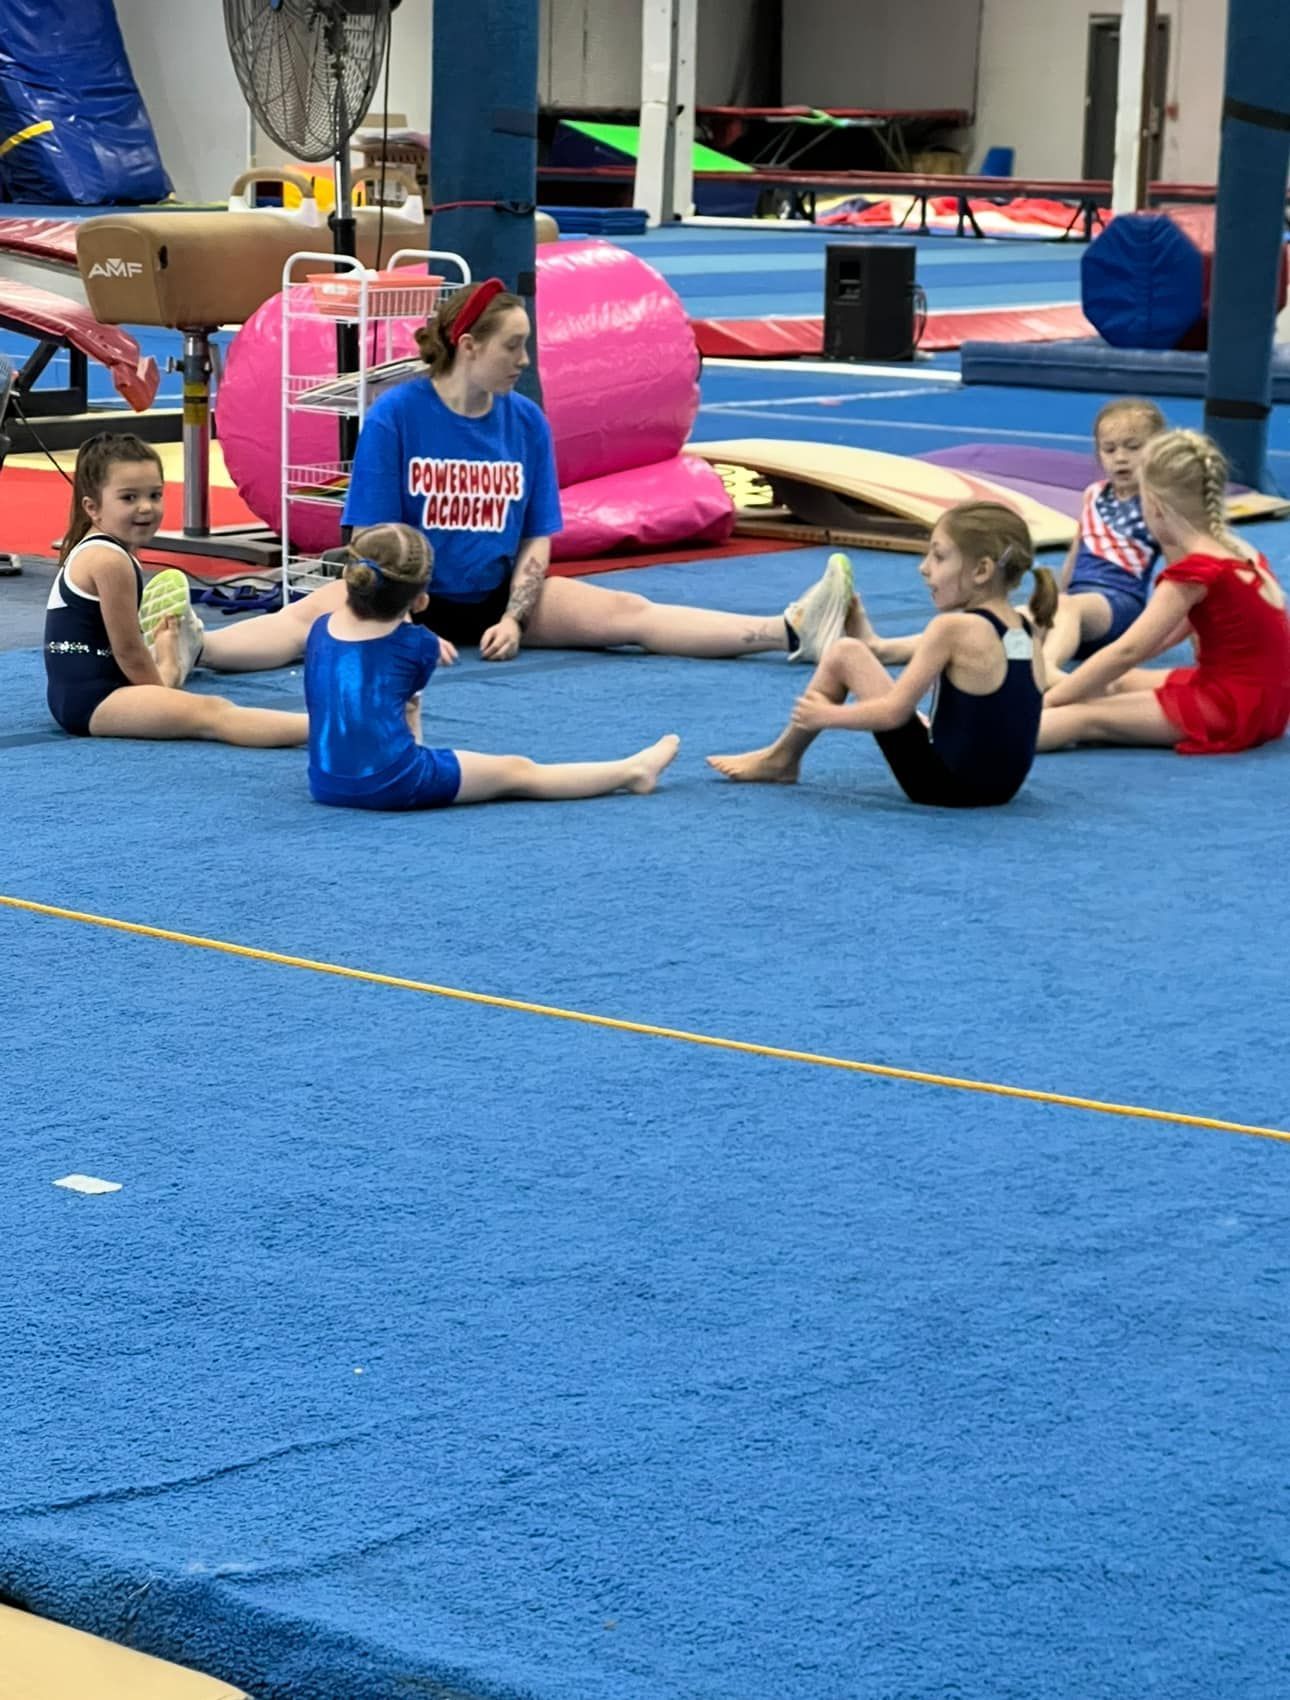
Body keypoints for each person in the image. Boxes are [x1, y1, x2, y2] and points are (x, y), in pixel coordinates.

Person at [167, 279, 854, 681]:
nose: (525, 358)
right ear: (468, 347)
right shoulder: (398, 416)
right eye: (513, 346)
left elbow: (535, 538)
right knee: (302, 622)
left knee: (629, 616)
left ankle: (786, 631)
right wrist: (403, 620)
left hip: (495, 594)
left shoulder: (524, 422)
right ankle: (191, 644)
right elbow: (368, 543)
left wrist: (516, 617)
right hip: (410, 596)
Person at [305, 522, 680, 809]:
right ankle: (632, 772)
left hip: (324, 782)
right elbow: (410, 715)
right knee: (519, 772)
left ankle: (632, 772)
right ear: (422, 600)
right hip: (394, 781)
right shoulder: (419, 645)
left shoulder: (319, 631)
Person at [708, 505, 1055, 807]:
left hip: (947, 787)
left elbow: (891, 714)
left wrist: (825, 715)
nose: (924, 567)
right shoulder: (1023, 627)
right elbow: (1008, 707)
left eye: (938, 555)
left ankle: (781, 758)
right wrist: (861, 627)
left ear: (981, 570)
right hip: (1003, 787)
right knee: (858, 654)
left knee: (844, 653)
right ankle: (781, 759)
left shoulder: (950, 629)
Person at [42, 433, 307, 748]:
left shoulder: (100, 548)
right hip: (95, 701)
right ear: (93, 507)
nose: (146, 508)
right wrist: (162, 694)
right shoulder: (109, 561)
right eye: (129, 498)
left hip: (87, 692)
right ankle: (329, 729)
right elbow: (128, 651)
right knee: (214, 712)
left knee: (179, 683)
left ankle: (170, 657)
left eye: (155, 495)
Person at [1039, 429, 1290, 755]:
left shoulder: (1192, 574)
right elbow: (1165, 636)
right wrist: (1093, 684)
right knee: (1119, 682)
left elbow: (1127, 651)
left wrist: (1054, 700)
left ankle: (988, 740)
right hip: (1268, 702)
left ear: (1154, 506)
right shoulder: (1240, 552)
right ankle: (1045, 688)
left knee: (1082, 716)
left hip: (1230, 707)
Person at [1042, 397, 1167, 674]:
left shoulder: (1158, 503)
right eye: (1109, 449)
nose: (1120, 457)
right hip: (1075, 607)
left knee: (1068, 608)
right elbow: (1076, 552)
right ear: (1099, 454)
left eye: (1133, 447)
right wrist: (1056, 598)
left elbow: (1179, 570)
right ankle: (1005, 664)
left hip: (1119, 606)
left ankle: (1046, 670)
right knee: (1015, 619)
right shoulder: (1093, 493)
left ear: (1159, 451)